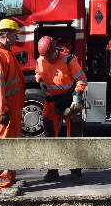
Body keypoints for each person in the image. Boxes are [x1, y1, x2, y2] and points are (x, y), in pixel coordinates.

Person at [35, 35, 88, 183]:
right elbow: (38, 74)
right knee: (50, 136)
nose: (48, 59)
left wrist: (77, 97)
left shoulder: (68, 59)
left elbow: (82, 79)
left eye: (50, 55)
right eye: (45, 56)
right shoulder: (40, 60)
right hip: (52, 101)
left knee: (75, 135)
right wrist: (40, 82)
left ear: (55, 51)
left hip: (70, 100)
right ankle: (52, 170)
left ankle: (76, 171)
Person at [0, 18, 25, 193]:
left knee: (11, 142)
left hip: (11, 109)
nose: (17, 38)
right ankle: (0, 184)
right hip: (4, 110)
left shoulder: (5, 51)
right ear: (6, 34)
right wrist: (3, 110)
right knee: (3, 144)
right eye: (15, 34)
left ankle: (9, 177)